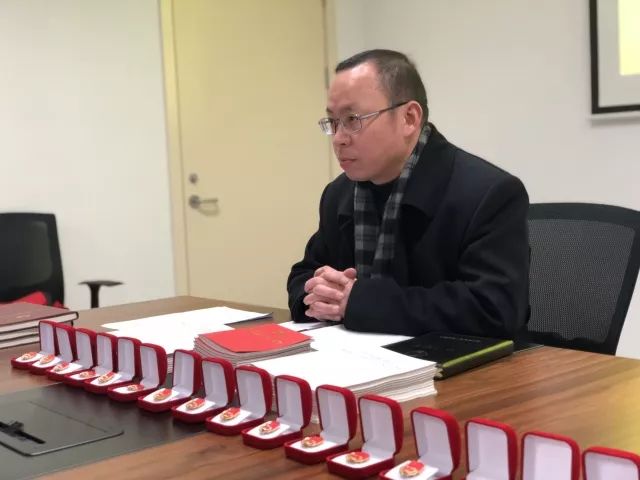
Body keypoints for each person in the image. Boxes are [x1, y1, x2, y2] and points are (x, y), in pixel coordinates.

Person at [287, 49, 529, 339]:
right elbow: (304, 274)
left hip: (457, 362)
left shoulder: (488, 193)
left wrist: (360, 302)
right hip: (360, 357)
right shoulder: (339, 193)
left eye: (352, 119)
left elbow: (495, 309)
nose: (338, 139)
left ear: (409, 118)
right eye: (333, 122)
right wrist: (317, 293)